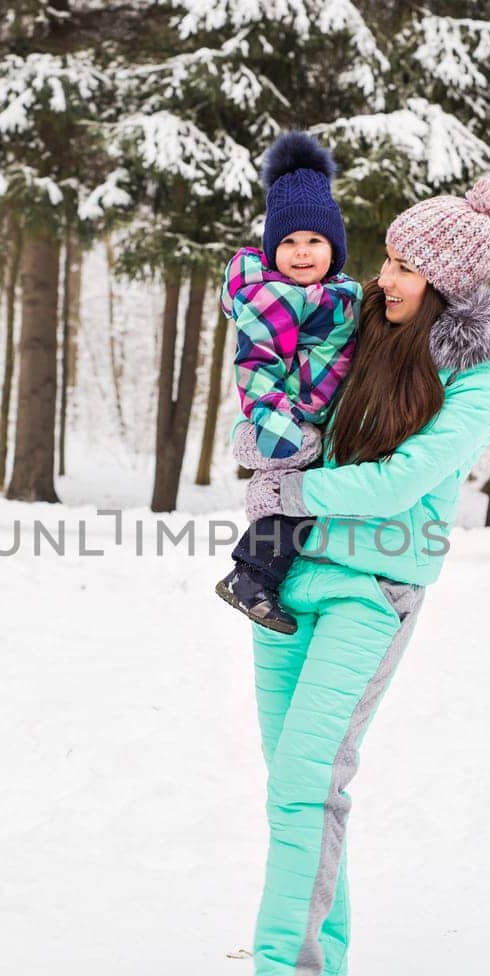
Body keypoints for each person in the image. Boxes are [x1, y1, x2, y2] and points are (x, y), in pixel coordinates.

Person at [231, 174, 490, 976]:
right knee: (296, 780)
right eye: (391, 258)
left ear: (451, 284)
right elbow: (278, 377)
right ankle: (325, 953)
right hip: (292, 578)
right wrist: (262, 435)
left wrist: (290, 487)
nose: (389, 277)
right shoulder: (363, 325)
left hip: (374, 588)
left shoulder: (479, 373)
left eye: (411, 267)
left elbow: (407, 478)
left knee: (307, 777)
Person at [215, 131, 362, 636]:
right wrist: (274, 417)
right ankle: (251, 577)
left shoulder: (339, 295)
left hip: (316, 414)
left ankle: (262, 577)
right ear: (272, 249)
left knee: (299, 499)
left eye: (314, 242)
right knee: (289, 497)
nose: (301, 253)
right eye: (289, 243)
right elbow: (256, 360)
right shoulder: (272, 297)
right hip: (285, 417)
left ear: (334, 247)